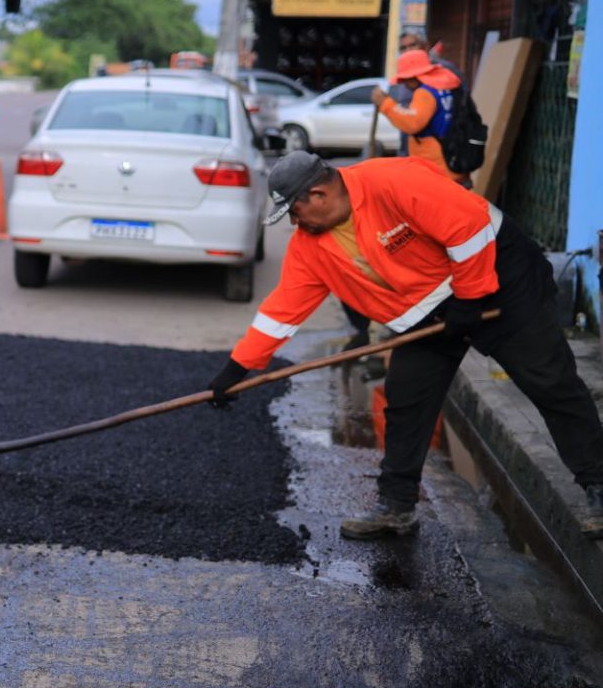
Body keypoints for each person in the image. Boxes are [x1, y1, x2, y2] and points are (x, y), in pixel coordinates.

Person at [208, 151, 603, 540]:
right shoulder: (310, 246)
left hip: (500, 273)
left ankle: (598, 483)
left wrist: (470, 296)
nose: (294, 223)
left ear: (318, 195)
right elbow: (282, 310)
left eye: (294, 211)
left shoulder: (393, 181)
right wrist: (237, 369)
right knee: (405, 400)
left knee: (549, 380)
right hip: (430, 309)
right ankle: (396, 507)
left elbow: (469, 228)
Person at [371, 48, 466, 185]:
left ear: (415, 75)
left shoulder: (425, 93)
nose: (403, 83)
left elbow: (412, 123)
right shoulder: (447, 87)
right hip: (453, 159)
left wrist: (385, 104)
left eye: (405, 79)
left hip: (436, 167)